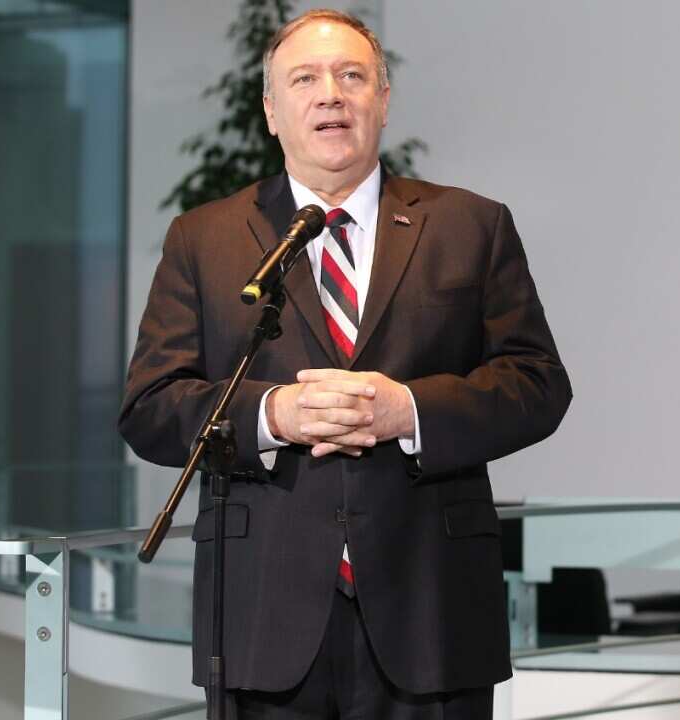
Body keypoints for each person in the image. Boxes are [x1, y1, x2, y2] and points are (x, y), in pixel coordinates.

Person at [119, 10, 571, 718]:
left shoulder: (469, 226)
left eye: (351, 75)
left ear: (382, 102)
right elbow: (150, 406)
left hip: (432, 609)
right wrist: (274, 415)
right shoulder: (203, 238)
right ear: (272, 111)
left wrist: (409, 410)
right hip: (264, 614)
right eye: (305, 79)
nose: (330, 93)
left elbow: (538, 385)